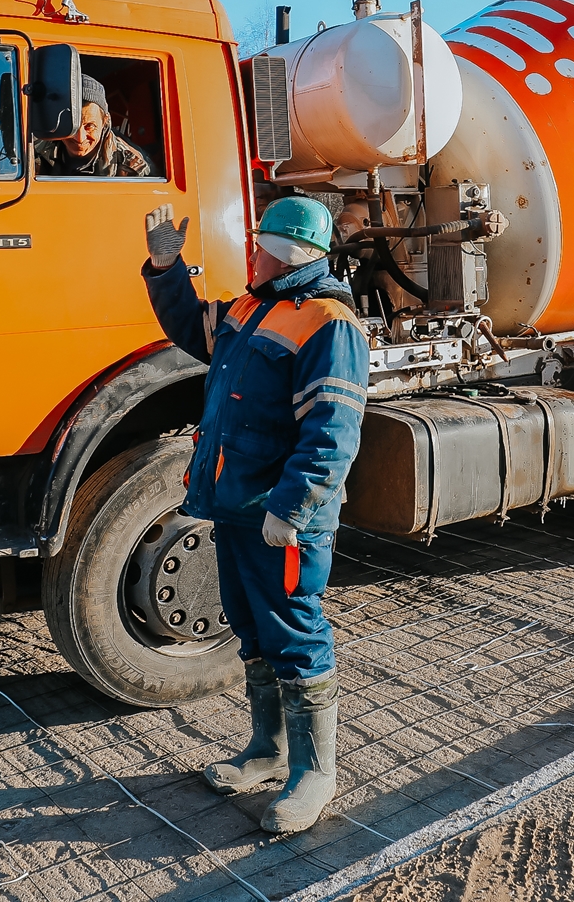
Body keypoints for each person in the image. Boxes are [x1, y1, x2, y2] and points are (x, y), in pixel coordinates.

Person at [137, 195, 367, 834]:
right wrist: (166, 270)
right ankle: (271, 750)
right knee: (251, 627)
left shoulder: (329, 323)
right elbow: (192, 331)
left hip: (282, 516)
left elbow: (332, 432)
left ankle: (315, 772)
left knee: (294, 629)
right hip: (238, 506)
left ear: (290, 252)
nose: (251, 252)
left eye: (261, 244)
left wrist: (293, 509)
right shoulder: (249, 306)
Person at [34, 75, 155, 177]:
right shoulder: (32, 147)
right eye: (72, 125)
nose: (79, 138)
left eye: (90, 126)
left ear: (105, 122)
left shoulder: (132, 168)